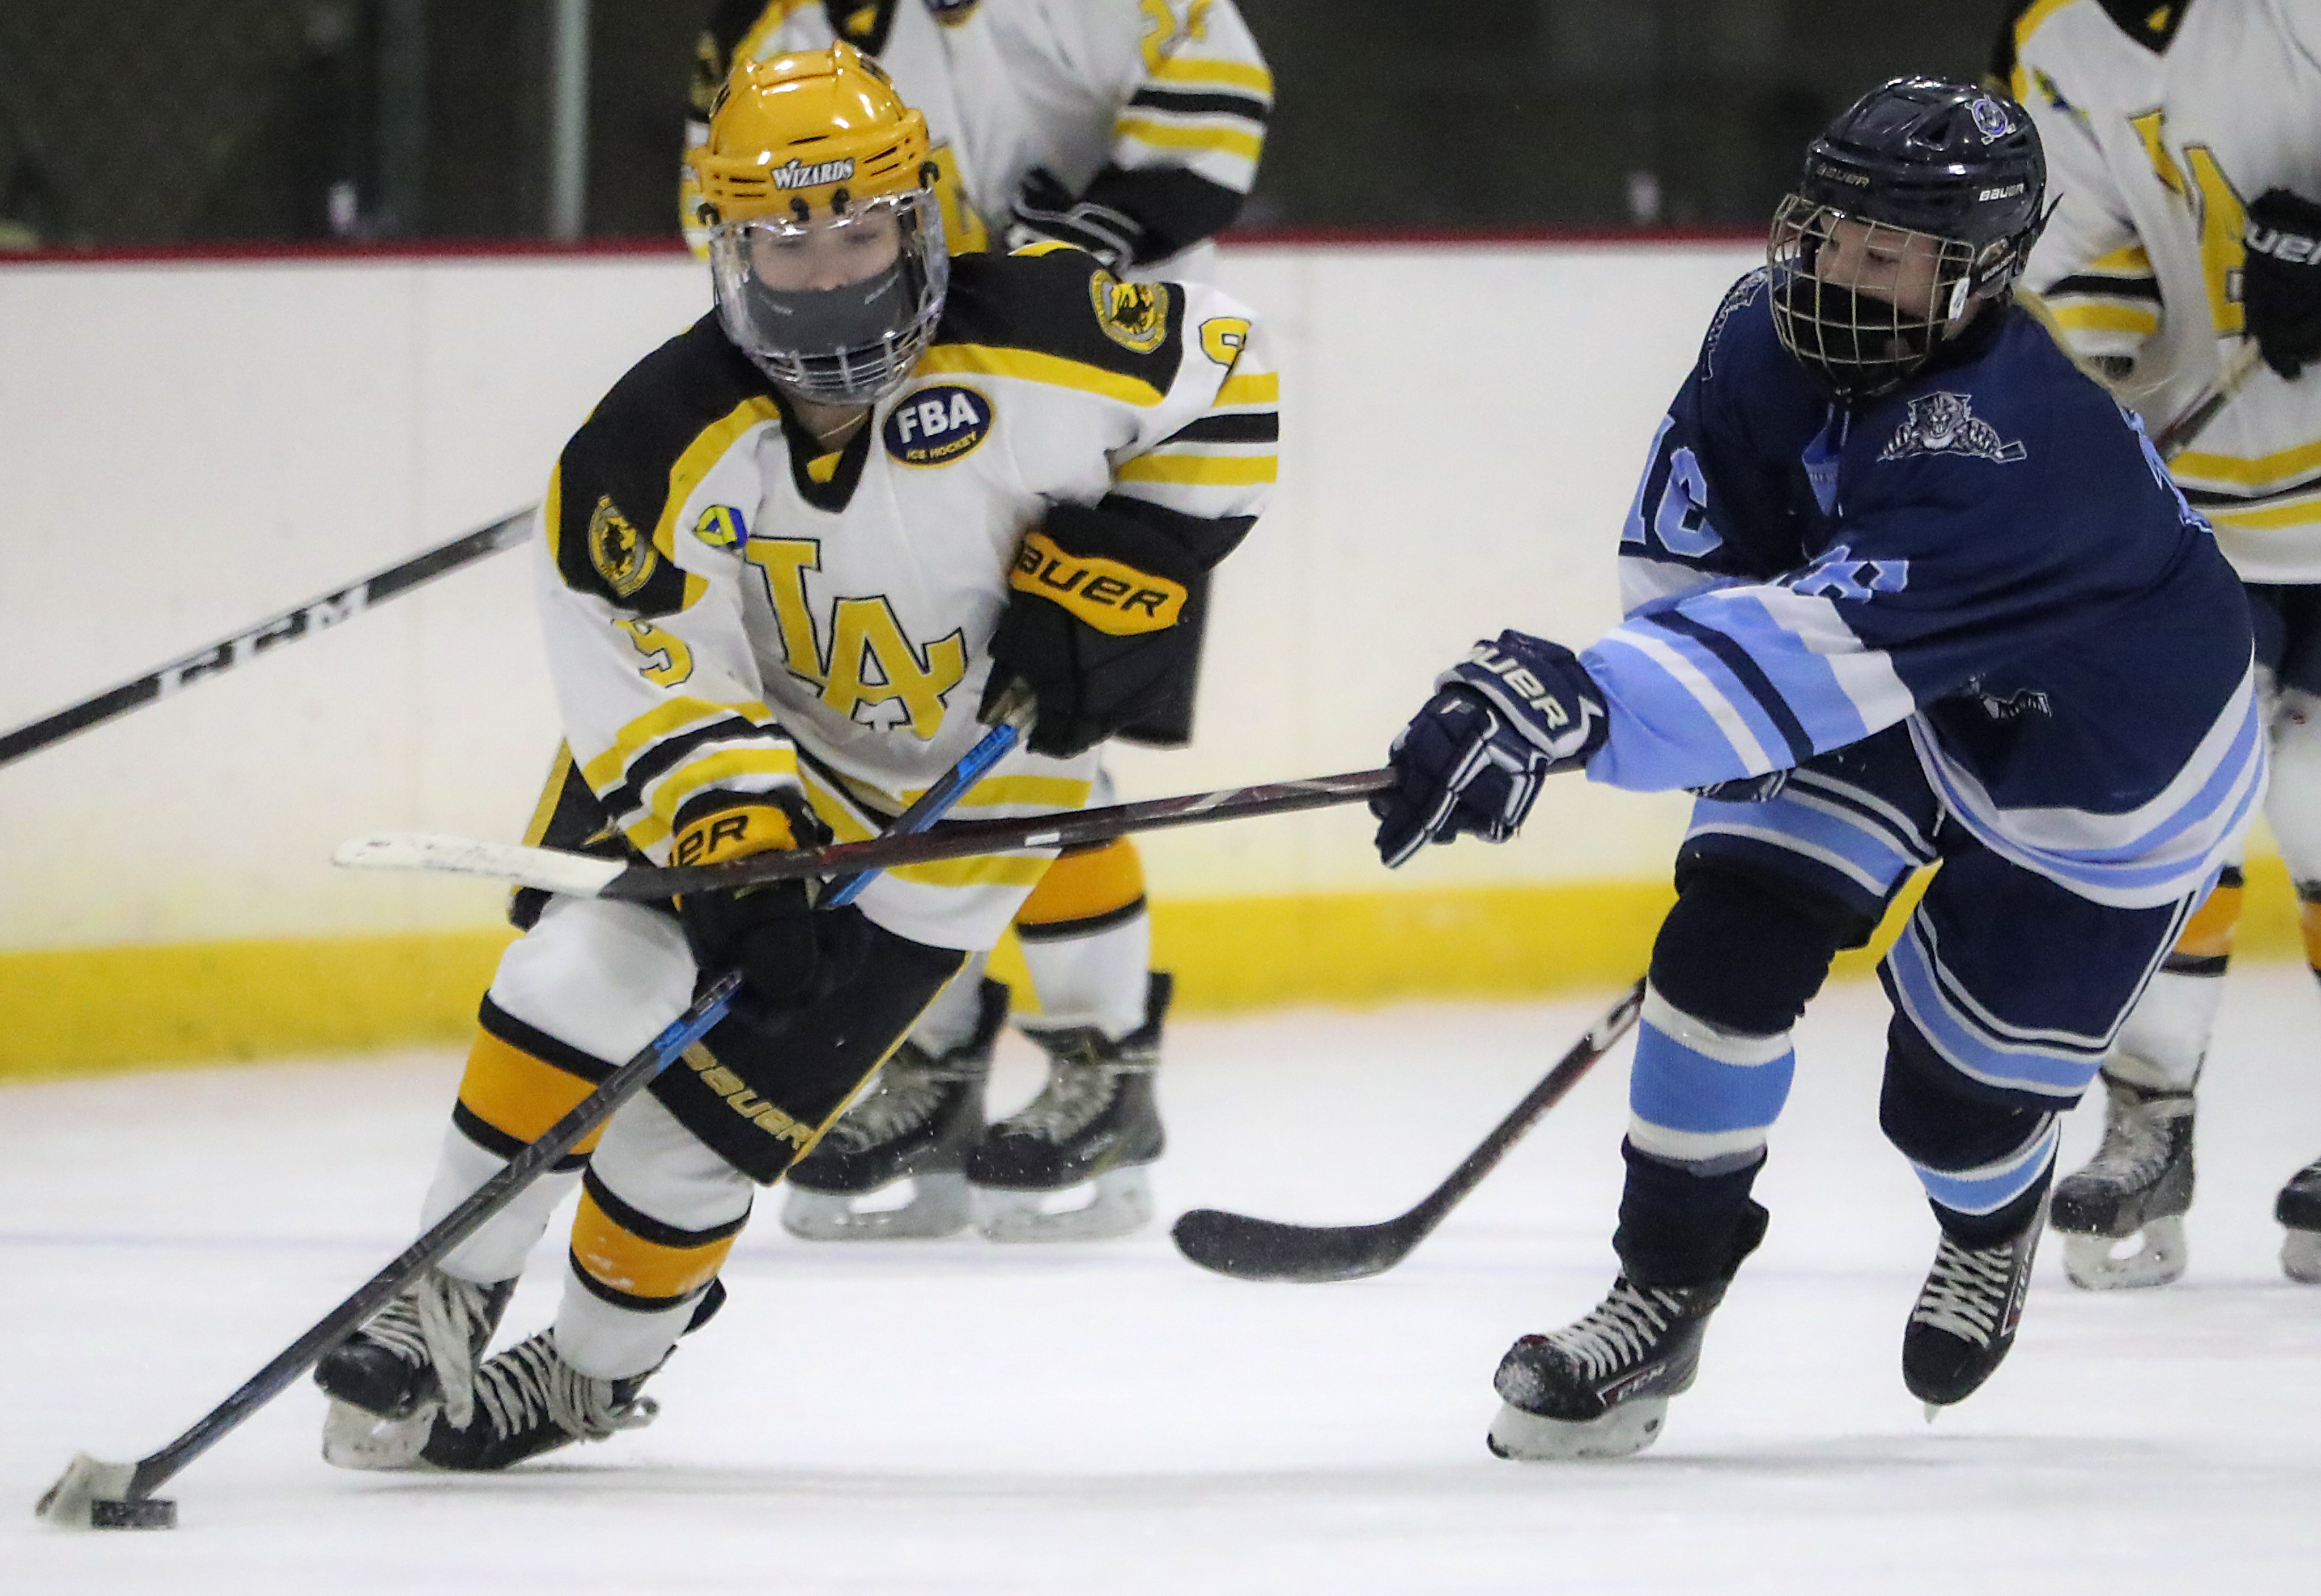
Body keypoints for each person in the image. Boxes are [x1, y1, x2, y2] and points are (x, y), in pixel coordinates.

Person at [310, 42, 1275, 1472]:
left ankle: (593, 1371)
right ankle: (438, 1290)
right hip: (736, 773)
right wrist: (738, 845)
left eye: (861, 229)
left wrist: (1123, 577)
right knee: (577, 978)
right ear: (727, 241)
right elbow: (651, 680)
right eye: (786, 238)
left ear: (919, 216)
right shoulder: (648, 444)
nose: (828, 273)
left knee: (688, 1143)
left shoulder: (1052, 332)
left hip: (955, 825)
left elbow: (1230, 384)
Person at [1369, 78, 2261, 1461]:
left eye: (1890, 251)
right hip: (1883, 676)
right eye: (1829, 232)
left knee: (1946, 1110)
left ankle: (1989, 1215)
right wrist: (1577, 703)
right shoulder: (1753, 336)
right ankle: (1660, 1290)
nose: (1840, 272)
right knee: (1722, 949)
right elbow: (1699, 575)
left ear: (1982, 270)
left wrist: (1584, 708)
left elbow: (1800, 651)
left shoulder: (2010, 449)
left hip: (2097, 770)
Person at [678, 0, 1273, 1244]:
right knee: (890, 716)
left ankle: (1101, 1059)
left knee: (1050, 727)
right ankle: (926, 1055)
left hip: (1089, 405)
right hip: (885, 410)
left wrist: (1101, 226)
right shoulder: (774, 36)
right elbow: (723, 220)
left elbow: (1218, 95)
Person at [1995, 0, 2321, 1290]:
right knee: (2157, 811)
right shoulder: (2057, 37)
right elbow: (2076, 261)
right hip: (2209, 515)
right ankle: (2148, 1125)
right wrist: (2099, 432)